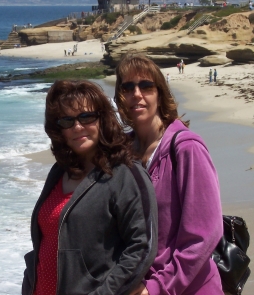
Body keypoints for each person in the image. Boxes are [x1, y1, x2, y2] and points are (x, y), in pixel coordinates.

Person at [22, 80, 158, 295]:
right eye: (67, 121)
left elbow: (141, 247)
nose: (77, 127)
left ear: (102, 119)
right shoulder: (60, 171)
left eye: (86, 117)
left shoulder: (125, 174)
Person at [114, 53, 223, 295]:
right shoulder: (122, 152)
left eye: (146, 85)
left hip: (186, 288)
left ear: (160, 93)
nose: (137, 94)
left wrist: (157, 288)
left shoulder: (186, 148)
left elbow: (204, 235)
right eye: (128, 87)